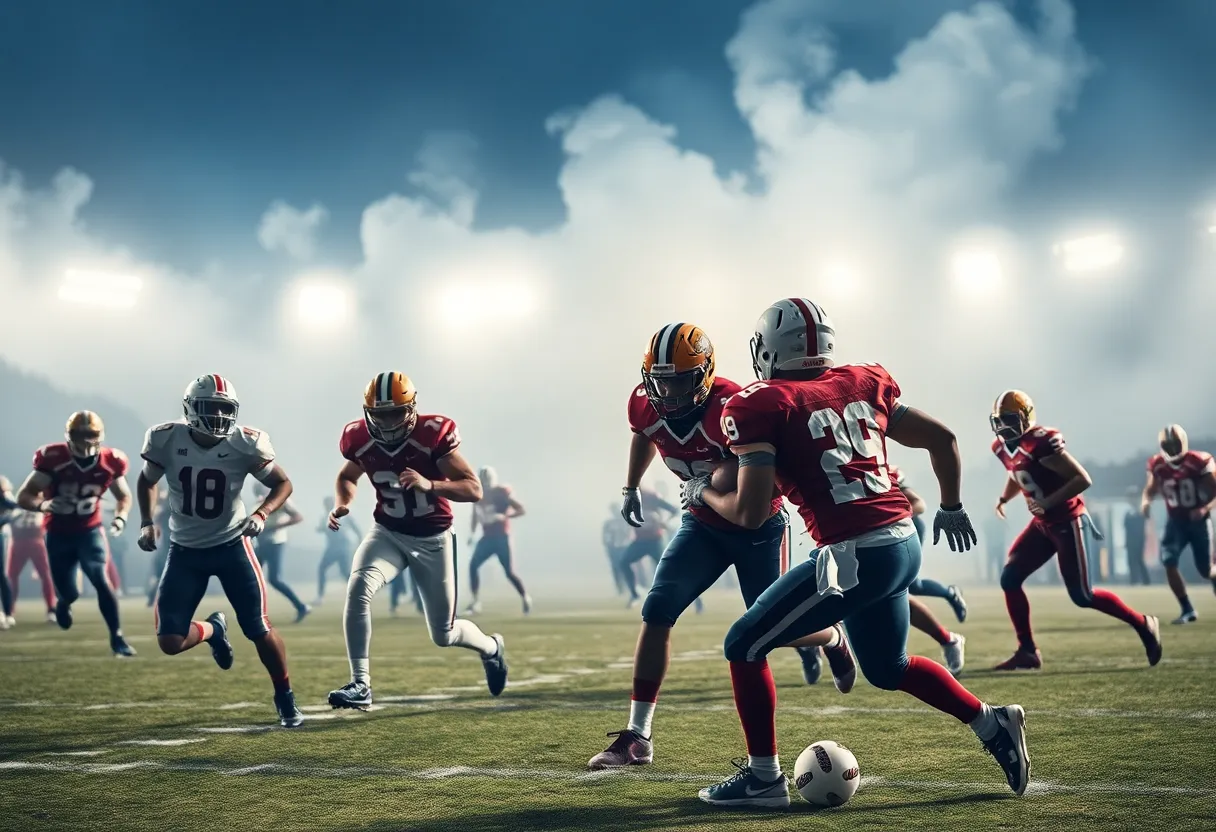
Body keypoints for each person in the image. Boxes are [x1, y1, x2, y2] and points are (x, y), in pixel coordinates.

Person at [690, 298, 1028, 806]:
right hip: (902, 541)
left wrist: (704, 494)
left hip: (855, 554)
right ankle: (991, 722)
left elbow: (751, 514)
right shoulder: (863, 381)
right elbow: (944, 439)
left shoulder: (760, 403)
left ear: (765, 350)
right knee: (888, 667)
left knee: (744, 644)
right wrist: (951, 506)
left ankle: (763, 780)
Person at [588, 323, 855, 771]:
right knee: (657, 610)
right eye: (661, 379)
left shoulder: (735, 407)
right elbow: (644, 432)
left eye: (680, 380)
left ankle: (831, 635)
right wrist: (631, 486)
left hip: (759, 528)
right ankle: (638, 736)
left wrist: (705, 484)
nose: (668, 391)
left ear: (706, 374)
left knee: (772, 628)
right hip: (703, 526)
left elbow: (736, 488)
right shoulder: (644, 402)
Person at [326, 372, 507, 711]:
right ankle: (361, 683)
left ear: (410, 410)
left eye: (394, 413)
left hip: (432, 537)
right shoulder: (359, 438)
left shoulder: (430, 435)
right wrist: (344, 502)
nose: (387, 422)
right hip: (388, 533)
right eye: (379, 415)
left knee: (444, 634)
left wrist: (431, 484)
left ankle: (491, 648)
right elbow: (347, 476)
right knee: (358, 587)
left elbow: (474, 489)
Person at [137, 374, 303, 727]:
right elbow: (146, 480)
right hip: (185, 550)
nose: (218, 416)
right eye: (209, 408)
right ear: (189, 408)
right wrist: (146, 521)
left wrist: (262, 513)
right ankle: (213, 629)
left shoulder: (246, 443)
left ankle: (284, 696)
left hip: (232, 545)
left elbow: (282, 483)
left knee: (258, 628)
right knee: (169, 640)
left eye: (224, 409)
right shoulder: (166, 438)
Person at [991, 390, 1161, 670]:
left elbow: (1082, 479)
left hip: (1068, 521)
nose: (1004, 427)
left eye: (1009, 420)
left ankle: (1143, 623)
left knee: (1083, 595)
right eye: (1000, 421)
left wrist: (1047, 501)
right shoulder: (1002, 447)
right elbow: (1016, 472)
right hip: (1043, 524)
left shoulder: (1040, 442)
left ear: (1026, 418)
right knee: (1010, 577)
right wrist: (1003, 498)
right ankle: (1028, 651)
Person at [15, 411, 135, 656]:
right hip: (58, 533)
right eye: (79, 435)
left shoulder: (110, 461)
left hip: (90, 530)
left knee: (100, 578)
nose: (84, 440)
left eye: (89, 435)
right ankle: (64, 602)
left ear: (100, 436)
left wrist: (121, 518)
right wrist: (43, 505)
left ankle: (117, 637)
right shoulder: (53, 458)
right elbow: (23, 496)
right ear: (69, 436)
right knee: (70, 591)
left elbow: (123, 496)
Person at [1141, 424, 1215, 623]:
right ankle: (1187, 609)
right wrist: (1146, 501)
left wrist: (1204, 508)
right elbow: (1150, 488)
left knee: (1206, 570)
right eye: (1168, 444)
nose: (1172, 448)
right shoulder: (1157, 464)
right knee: (1168, 560)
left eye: (1175, 444)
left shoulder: (1200, 461)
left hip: (1198, 521)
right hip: (1176, 521)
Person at [891, 465, 968, 622]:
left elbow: (920, 504)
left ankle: (949, 594)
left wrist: (896, 517)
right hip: (890, 532)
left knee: (911, 584)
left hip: (908, 528)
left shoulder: (885, 472)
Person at [465, 466, 531, 615]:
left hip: (501, 537)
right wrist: (472, 533)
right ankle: (475, 602)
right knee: (473, 566)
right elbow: (475, 515)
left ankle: (525, 597)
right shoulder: (477, 493)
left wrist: (506, 516)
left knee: (509, 572)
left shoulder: (500, 494)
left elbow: (521, 509)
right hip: (487, 538)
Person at [252, 483, 309, 622]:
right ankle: (254, 613)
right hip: (261, 544)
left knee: (274, 579)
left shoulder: (280, 500)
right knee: (251, 576)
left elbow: (298, 517)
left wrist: (274, 528)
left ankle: (301, 607)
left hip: (275, 543)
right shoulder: (258, 503)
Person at [617, 485, 677, 607]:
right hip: (640, 541)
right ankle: (635, 594)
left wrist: (663, 522)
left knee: (665, 569)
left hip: (654, 540)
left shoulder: (651, 498)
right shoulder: (630, 500)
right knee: (624, 562)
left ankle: (680, 596)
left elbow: (673, 510)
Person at [315, 496, 358, 606]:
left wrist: (360, 539)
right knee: (342, 572)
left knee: (324, 569)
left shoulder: (342, 515)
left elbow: (354, 528)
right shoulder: (327, 516)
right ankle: (359, 592)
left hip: (339, 547)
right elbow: (322, 529)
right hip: (335, 546)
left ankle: (320, 596)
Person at [602, 502, 633, 595]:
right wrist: (608, 547)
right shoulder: (608, 523)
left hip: (625, 547)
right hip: (614, 549)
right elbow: (605, 537)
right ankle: (620, 589)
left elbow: (630, 534)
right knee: (616, 569)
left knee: (626, 568)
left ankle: (630, 587)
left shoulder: (626, 521)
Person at [1123, 487, 1150, 586]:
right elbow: (1126, 529)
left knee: (1139, 561)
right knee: (1130, 561)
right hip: (1130, 542)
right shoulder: (1128, 513)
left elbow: (1141, 528)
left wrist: (1141, 541)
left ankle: (1146, 581)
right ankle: (1133, 581)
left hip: (1139, 541)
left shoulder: (1141, 511)